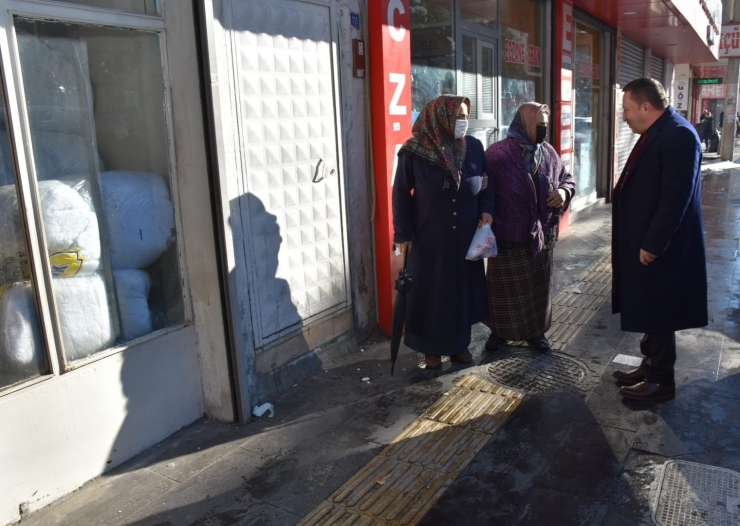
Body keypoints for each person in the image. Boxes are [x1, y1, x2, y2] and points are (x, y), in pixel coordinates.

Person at [611, 78, 707, 402]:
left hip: (663, 247)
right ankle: (649, 364)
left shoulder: (678, 134)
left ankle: (661, 380)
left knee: (661, 310)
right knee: (652, 307)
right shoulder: (659, 130)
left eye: (626, 109)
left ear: (646, 107)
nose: (624, 116)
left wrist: (653, 243)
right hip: (651, 241)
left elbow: (675, 198)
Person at [393, 95, 494, 369]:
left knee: (459, 293)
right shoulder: (414, 151)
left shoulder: (473, 146)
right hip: (428, 238)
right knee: (431, 293)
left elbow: (487, 183)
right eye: (457, 116)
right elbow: (401, 193)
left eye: (465, 116)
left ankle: (459, 346)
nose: (462, 121)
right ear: (439, 116)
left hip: (465, 236)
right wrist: (403, 234)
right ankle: (431, 351)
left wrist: (487, 209)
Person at [483, 103, 575, 352]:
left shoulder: (548, 152)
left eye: (546, 122)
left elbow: (566, 177)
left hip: (541, 235)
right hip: (507, 235)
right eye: (539, 123)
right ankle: (500, 332)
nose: (544, 127)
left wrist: (564, 192)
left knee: (538, 289)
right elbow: (485, 193)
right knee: (504, 291)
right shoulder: (497, 154)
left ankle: (536, 333)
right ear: (523, 123)